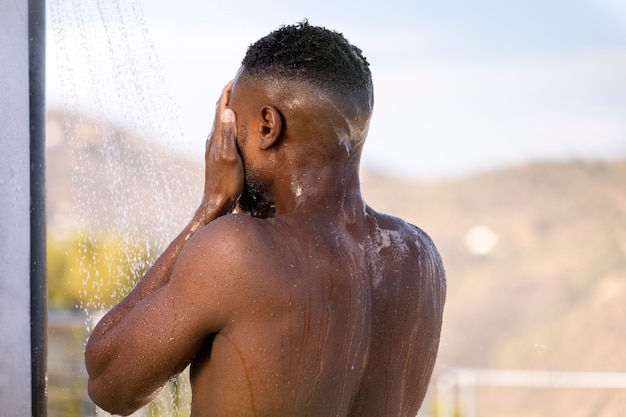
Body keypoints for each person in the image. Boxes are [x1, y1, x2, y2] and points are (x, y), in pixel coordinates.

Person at [85, 21, 446, 417]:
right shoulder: (419, 258)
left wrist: (210, 209)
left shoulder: (237, 250)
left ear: (267, 127)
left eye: (231, 127)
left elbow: (108, 382)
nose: (224, 147)